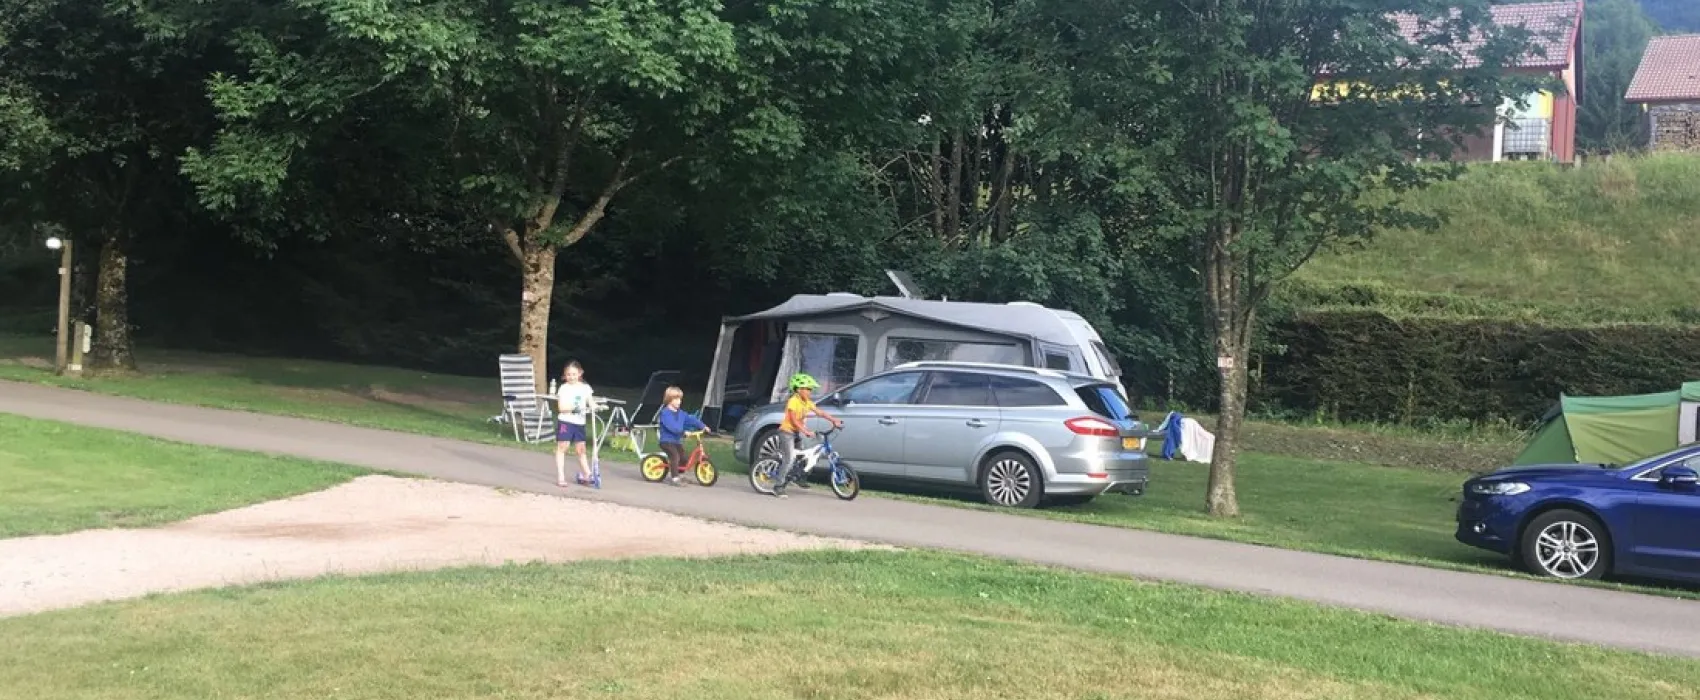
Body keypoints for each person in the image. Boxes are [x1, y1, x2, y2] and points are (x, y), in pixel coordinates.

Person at [773, 372, 841, 497]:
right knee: (789, 459)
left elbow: (820, 412)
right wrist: (805, 431)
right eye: (808, 389)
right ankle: (778, 486)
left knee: (802, 457)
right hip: (786, 432)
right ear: (799, 390)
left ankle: (798, 477)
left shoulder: (807, 402)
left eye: (810, 389)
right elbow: (793, 420)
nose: (810, 392)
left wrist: (833, 420)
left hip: (796, 432)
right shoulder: (793, 401)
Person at [554, 360, 596, 487]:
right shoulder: (564, 388)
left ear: (579, 373)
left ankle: (587, 474)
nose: (571, 377)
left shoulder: (585, 388)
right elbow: (561, 407)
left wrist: (595, 407)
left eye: (573, 374)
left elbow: (590, 402)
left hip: (579, 422)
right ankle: (561, 476)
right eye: (568, 374)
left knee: (581, 450)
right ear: (565, 375)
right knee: (563, 447)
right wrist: (573, 409)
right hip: (566, 421)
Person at [657, 386, 710, 486]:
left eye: (680, 399)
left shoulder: (681, 413)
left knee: (684, 458)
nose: (679, 401)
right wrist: (683, 432)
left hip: (676, 441)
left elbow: (691, 419)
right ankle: (675, 478)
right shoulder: (665, 414)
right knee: (675, 456)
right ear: (669, 400)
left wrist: (703, 426)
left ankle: (678, 475)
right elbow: (672, 426)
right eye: (676, 399)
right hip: (666, 441)